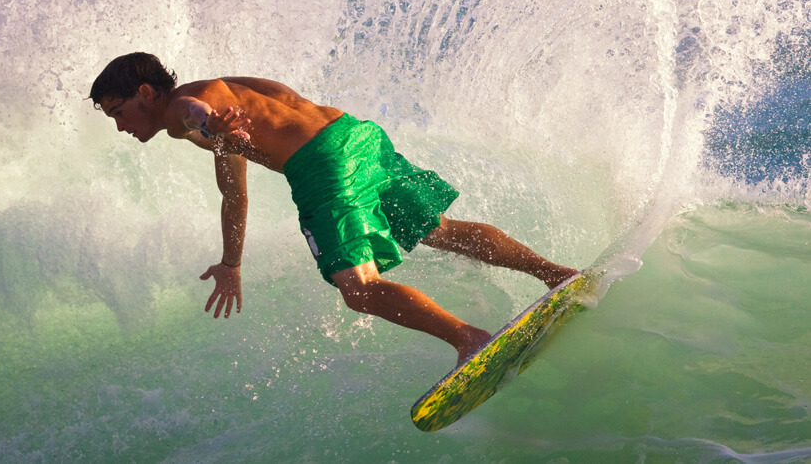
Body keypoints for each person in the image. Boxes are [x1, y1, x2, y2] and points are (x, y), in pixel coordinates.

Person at [89, 52, 579, 365]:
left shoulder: (181, 111)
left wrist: (214, 125)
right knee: (441, 230)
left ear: (146, 93)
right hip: (354, 136)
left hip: (319, 165)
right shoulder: (229, 85)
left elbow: (195, 117)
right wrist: (232, 263)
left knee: (359, 290)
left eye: (119, 112)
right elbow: (234, 191)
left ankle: (469, 339)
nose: (120, 127)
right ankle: (556, 274)